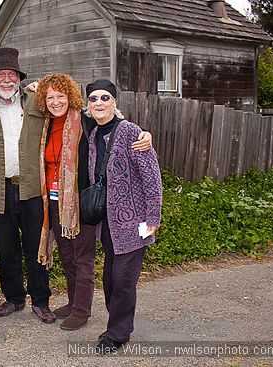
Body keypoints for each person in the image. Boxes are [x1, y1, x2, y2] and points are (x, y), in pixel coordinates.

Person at [34, 73, 153, 332]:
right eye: (50, 96)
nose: (55, 102)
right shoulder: (46, 124)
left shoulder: (86, 121)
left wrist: (145, 135)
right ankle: (73, 300)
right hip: (55, 200)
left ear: (72, 98)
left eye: (60, 96)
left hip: (83, 201)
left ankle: (82, 309)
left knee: (82, 258)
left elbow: (115, 125)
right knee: (66, 256)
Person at [80, 80, 162, 354]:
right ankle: (119, 322)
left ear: (115, 103)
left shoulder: (131, 132)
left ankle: (117, 333)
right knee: (111, 280)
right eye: (93, 99)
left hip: (135, 221)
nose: (99, 103)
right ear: (88, 105)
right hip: (108, 224)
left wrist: (153, 217)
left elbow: (152, 177)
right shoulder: (92, 133)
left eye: (105, 98)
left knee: (124, 280)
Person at [0, 48, 56, 323]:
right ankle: (14, 298)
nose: (6, 80)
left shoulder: (38, 101)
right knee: (6, 248)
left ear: (20, 78)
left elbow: (73, 104)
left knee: (37, 248)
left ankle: (41, 300)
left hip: (32, 190)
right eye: (0, 75)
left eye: (11, 74)